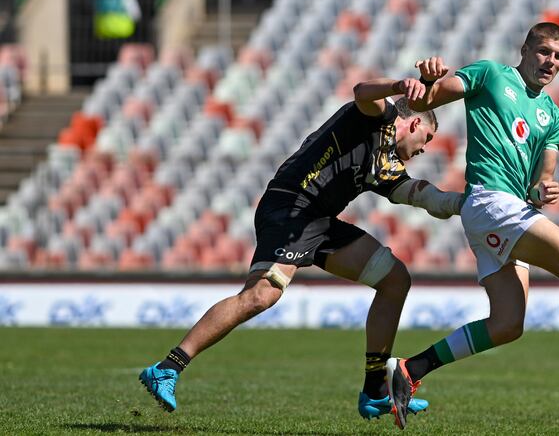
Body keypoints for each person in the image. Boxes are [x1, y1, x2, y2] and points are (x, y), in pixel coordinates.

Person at [138, 77, 465, 421]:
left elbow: (423, 196)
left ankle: (374, 391)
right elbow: (361, 93)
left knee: (395, 279)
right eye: (426, 139)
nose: (424, 149)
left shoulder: (386, 168)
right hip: (291, 206)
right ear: (414, 122)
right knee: (261, 295)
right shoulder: (376, 116)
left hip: (318, 221)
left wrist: (462, 202)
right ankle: (167, 368)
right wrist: (400, 84)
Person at [379, 22, 559, 429]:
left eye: (558, 56)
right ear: (526, 49)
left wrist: (542, 191)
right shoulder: (491, 75)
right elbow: (429, 99)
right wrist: (428, 81)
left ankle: (411, 368)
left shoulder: (553, 116)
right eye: (544, 51)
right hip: (490, 201)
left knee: (507, 325)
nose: (550, 62)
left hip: (508, 208)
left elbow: (541, 179)